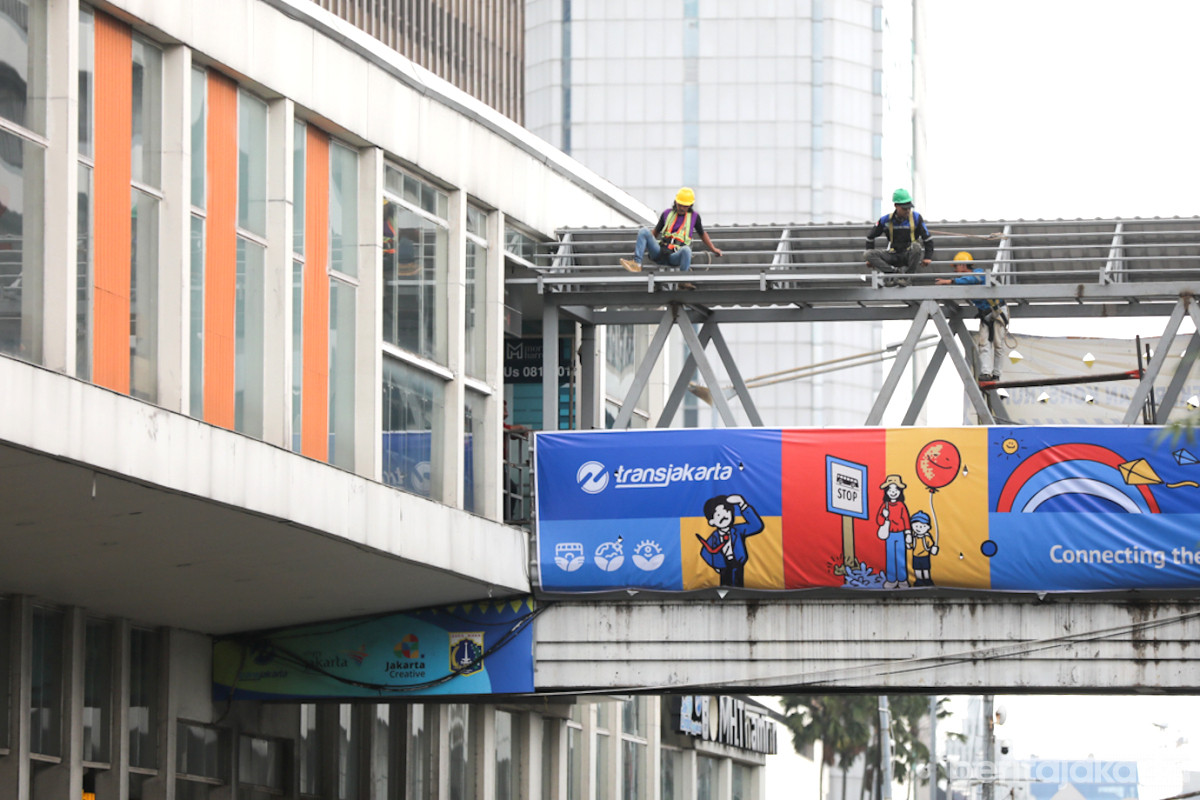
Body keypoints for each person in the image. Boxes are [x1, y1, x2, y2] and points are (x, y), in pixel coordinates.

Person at [621, 187, 723, 289]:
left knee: (686, 250)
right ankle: (637, 264)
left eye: (685, 206)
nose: (681, 208)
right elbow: (655, 232)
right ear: (675, 202)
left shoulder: (694, 217)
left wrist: (713, 249)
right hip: (660, 252)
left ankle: (683, 281)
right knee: (644, 231)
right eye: (679, 205)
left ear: (690, 206)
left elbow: (702, 234)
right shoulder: (666, 214)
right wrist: (641, 247)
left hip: (675, 256)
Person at [936, 251, 1009, 382]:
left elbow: (972, 279)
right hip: (986, 314)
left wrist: (950, 281)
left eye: (956, 266)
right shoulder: (965, 282)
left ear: (963, 265)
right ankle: (986, 373)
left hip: (998, 311)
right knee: (984, 344)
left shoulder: (979, 274)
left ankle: (997, 374)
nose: (955, 270)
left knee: (998, 344)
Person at [864, 188, 934, 286]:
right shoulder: (886, 220)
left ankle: (907, 278)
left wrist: (927, 257)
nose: (907, 211)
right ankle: (893, 273)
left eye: (909, 208)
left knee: (916, 247)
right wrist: (869, 260)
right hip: (893, 254)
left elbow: (928, 239)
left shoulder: (916, 218)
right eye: (905, 208)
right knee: (868, 254)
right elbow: (870, 237)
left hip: (908, 254)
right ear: (896, 206)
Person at [695, 493, 763, 588]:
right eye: (718, 515)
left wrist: (742, 504)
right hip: (724, 568)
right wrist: (717, 565)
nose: (724, 516)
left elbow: (756, 526)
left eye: (726, 511)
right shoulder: (714, 537)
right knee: (725, 587)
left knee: (740, 587)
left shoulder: (738, 530)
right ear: (711, 521)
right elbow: (705, 552)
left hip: (738, 565)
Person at [875, 474, 911, 589]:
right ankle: (891, 579)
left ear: (900, 491)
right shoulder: (885, 506)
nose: (893, 492)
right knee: (890, 557)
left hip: (900, 534)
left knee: (901, 557)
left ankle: (902, 579)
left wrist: (908, 533)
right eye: (890, 490)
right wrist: (884, 515)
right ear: (886, 492)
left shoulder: (901, 505)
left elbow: (906, 519)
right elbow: (879, 521)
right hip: (889, 534)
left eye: (896, 490)